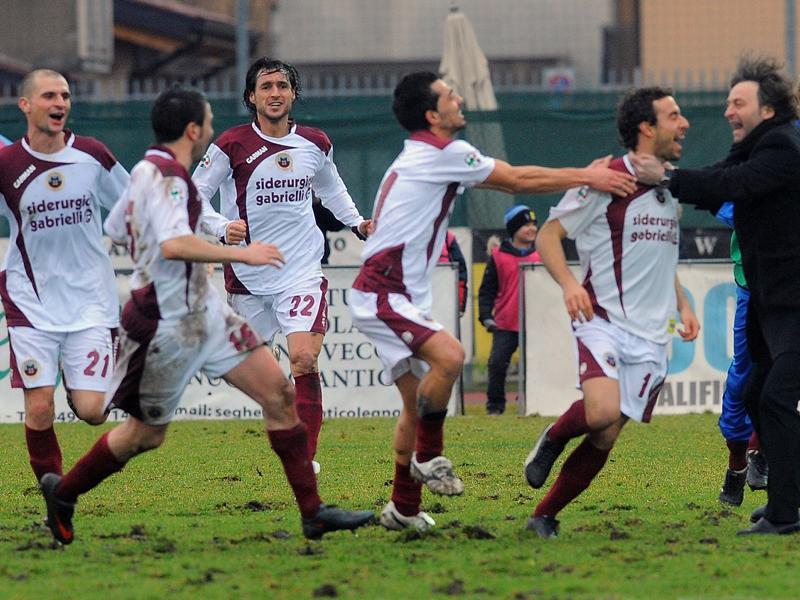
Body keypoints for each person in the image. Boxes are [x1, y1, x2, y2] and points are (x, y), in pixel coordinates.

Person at [38, 86, 375, 546]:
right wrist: (246, 253)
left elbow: (115, 227)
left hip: (206, 312)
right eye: (210, 119)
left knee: (278, 394)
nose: (214, 126)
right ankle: (66, 492)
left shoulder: (149, 171)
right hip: (164, 323)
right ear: (194, 129)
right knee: (144, 435)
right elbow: (175, 245)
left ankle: (313, 512)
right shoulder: (168, 179)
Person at [349, 71, 638, 532]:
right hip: (384, 291)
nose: (459, 99)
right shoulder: (445, 152)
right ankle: (429, 456)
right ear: (432, 115)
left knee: (414, 405)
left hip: (392, 293)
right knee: (452, 356)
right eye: (449, 95)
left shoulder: (423, 154)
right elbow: (517, 180)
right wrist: (589, 175)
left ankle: (403, 508)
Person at [634, 55, 800, 535]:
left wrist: (665, 177)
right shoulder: (755, 146)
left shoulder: (784, 148)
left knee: (773, 399)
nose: (728, 111)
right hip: (771, 299)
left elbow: (733, 185)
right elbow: (718, 180)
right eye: (728, 102)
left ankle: (785, 514)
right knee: (754, 393)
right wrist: (669, 179)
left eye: (737, 102)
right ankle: (785, 500)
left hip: (793, 302)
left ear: (766, 110)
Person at [524, 87, 699, 539]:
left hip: (653, 333)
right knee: (600, 412)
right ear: (647, 127)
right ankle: (554, 437)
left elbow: (661, 256)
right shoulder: (605, 179)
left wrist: (682, 303)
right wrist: (567, 284)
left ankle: (544, 515)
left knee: (606, 434)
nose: (684, 124)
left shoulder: (669, 185)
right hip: (602, 317)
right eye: (674, 116)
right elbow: (548, 236)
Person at [193, 58, 371, 473]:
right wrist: (221, 227)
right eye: (266, 86)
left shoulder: (315, 143)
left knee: (304, 361)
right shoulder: (231, 145)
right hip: (248, 280)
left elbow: (332, 189)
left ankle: (304, 461)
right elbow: (191, 195)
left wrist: (358, 222)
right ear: (251, 97)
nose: (275, 93)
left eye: (282, 86)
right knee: (256, 379)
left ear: (293, 94)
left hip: (301, 273)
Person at [0, 69, 129, 486]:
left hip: (91, 301)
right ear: (26, 105)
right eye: (49, 96)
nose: (60, 103)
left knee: (93, 412)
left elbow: (131, 208)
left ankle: (81, 390)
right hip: (30, 300)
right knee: (39, 407)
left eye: (65, 96)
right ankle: (55, 497)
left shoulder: (92, 154)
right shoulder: (6, 165)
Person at [714, 201, 767, 506]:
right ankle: (738, 463)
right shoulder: (746, 169)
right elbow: (724, 202)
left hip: (791, 289)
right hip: (753, 289)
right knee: (743, 379)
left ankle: (763, 452)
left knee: (784, 374)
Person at [478, 204, 541, 415]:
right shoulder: (498, 256)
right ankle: (495, 407)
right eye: (526, 225)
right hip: (506, 323)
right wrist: (486, 316)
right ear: (514, 229)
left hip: (537, 323)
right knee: (497, 364)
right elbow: (487, 289)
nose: (532, 229)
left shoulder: (542, 254)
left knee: (537, 366)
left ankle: (537, 404)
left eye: (534, 224)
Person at [438, 230, 468, 315]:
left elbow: (461, 274)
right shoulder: (415, 235)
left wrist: (460, 304)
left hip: (445, 298)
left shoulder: (448, 237)